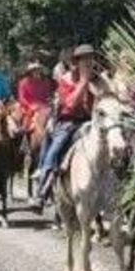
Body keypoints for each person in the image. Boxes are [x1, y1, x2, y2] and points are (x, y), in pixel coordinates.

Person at [31, 44, 99, 211]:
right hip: (70, 122)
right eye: (85, 60)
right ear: (77, 62)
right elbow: (70, 104)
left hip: (93, 120)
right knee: (57, 147)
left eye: (91, 59)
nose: (89, 63)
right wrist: (83, 82)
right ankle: (43, 190)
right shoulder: (66, 80)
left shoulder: (98, 78)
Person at [16, 60, 53, 134]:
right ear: (30, 72)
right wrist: (31, 105)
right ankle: (24, 130)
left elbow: (47, 94)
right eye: (34, 70)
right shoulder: (23, 82)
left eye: (38, 70)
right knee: (26, 115)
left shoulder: (45, 82)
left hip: (43, 105)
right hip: (29, 105)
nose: (37, 72)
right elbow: (21, 98)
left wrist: (49, 101)